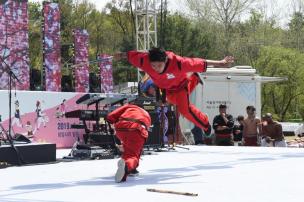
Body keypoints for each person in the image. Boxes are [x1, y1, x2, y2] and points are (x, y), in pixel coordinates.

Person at [116, 47, 234, 135]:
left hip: (180, 87)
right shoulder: (144, 61)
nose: (156, 69)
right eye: (153, 66)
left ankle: (205, 124)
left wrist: (221, 63)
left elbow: (200, 61)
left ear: (166, 61)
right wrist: (121, 55)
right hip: (166, 89)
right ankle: (194, 78)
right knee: (174, 103)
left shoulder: (178, 63)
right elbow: (131, 55)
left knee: (184, 110)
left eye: (159, 65)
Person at [106, 103, 151, 183]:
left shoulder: (130, 106)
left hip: (120, 128)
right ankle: (128, 166)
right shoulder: (146, 114)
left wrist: (111, 121)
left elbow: (111, 116)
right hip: (136, 129)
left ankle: (127, 165)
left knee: (128, 150)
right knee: (133, 155)